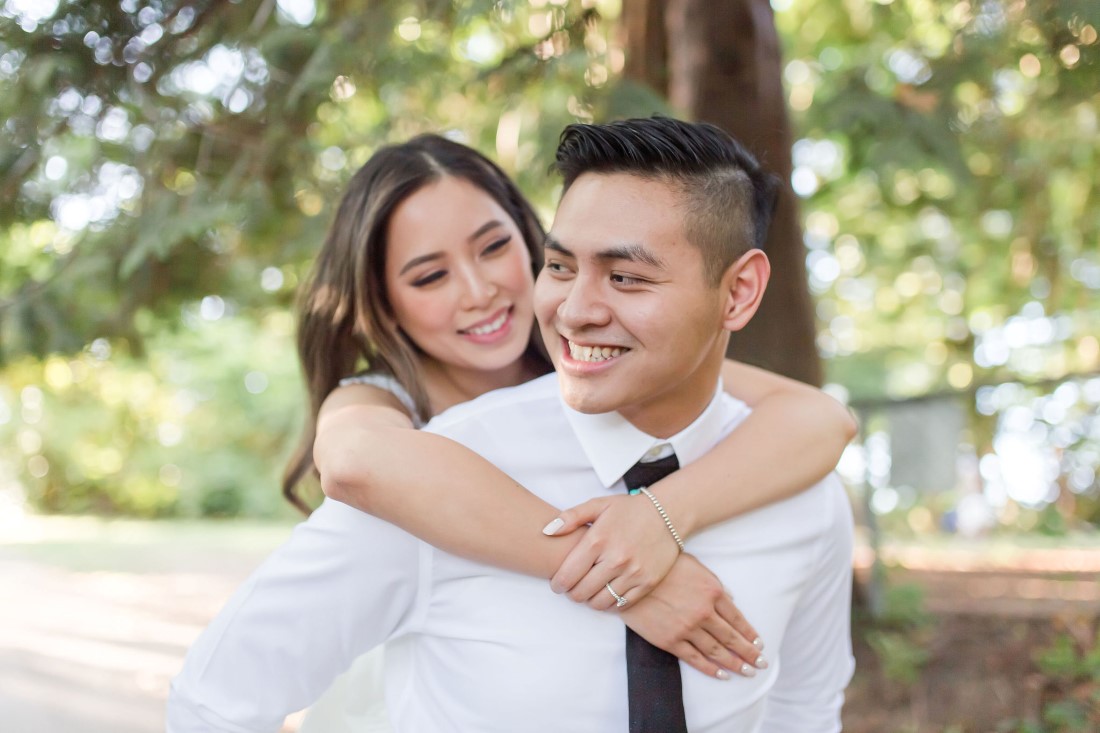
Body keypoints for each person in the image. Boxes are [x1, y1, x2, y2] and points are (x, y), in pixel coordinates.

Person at [168, 119, 854, 732]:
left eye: (495, 249)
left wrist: (658, 517)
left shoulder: (628, 368)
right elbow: (355, 464)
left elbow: (820, 419)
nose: (479, 291)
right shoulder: (404, 446)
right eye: (430, 275)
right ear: (386, 305)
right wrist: (618, 573)